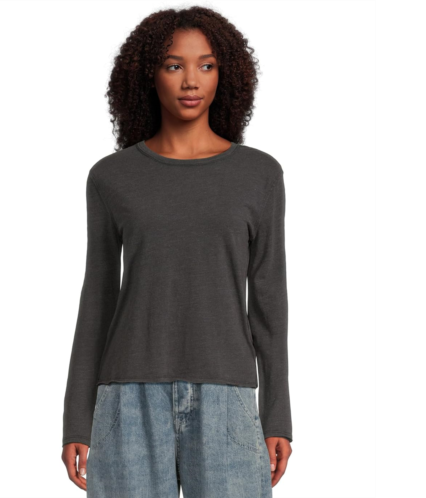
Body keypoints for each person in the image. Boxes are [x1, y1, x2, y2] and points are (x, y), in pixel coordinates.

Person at [61, 6, 293, 497]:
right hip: (127, 399)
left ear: (225, 75)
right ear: (148, 75)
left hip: (229, 399)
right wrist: (76, 419)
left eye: (206, 65)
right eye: (174, 65)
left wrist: (278, 415)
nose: (191, 81)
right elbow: (97, 299)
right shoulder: (112, 177)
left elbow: (270, 304)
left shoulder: (259, 175)